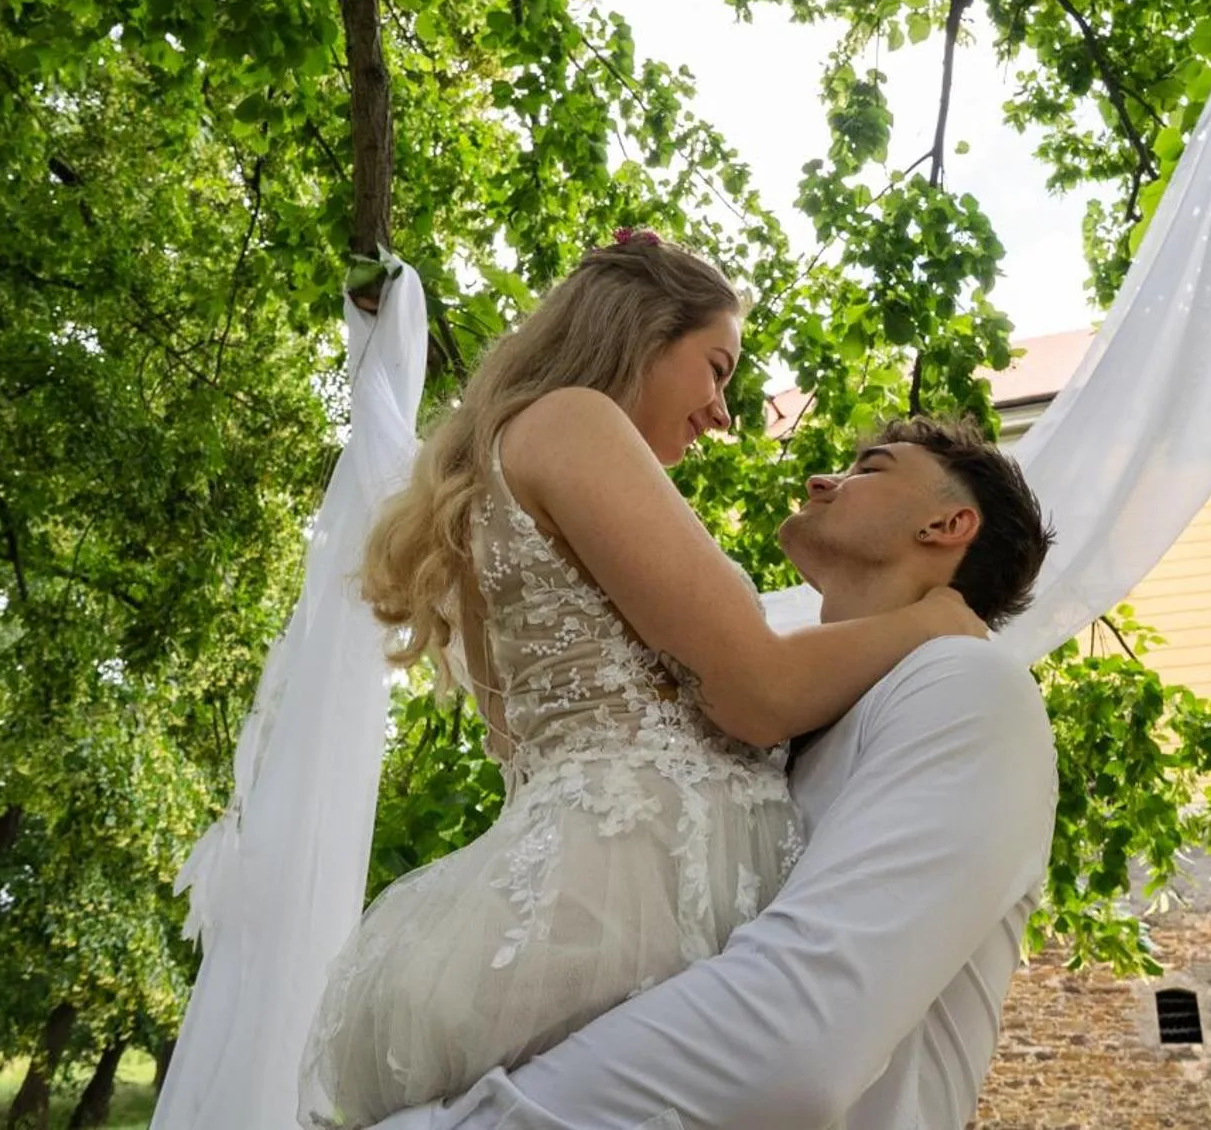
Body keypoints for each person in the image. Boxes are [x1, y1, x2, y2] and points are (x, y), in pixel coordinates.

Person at [298, 233, 990, 1128]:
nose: (722, 414)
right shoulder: (574, 422)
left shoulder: (504, 471)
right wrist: (932, 620)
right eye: (717, 368)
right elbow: (760, 691)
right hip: (632, 885)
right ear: (642, 333)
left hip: (568, 880)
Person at [381, 415, 1060, 1129]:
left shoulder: (967, 687)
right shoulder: (784, 734)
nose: (820, 480)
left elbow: (796, 1037)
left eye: (870, 468)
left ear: (947, 524)